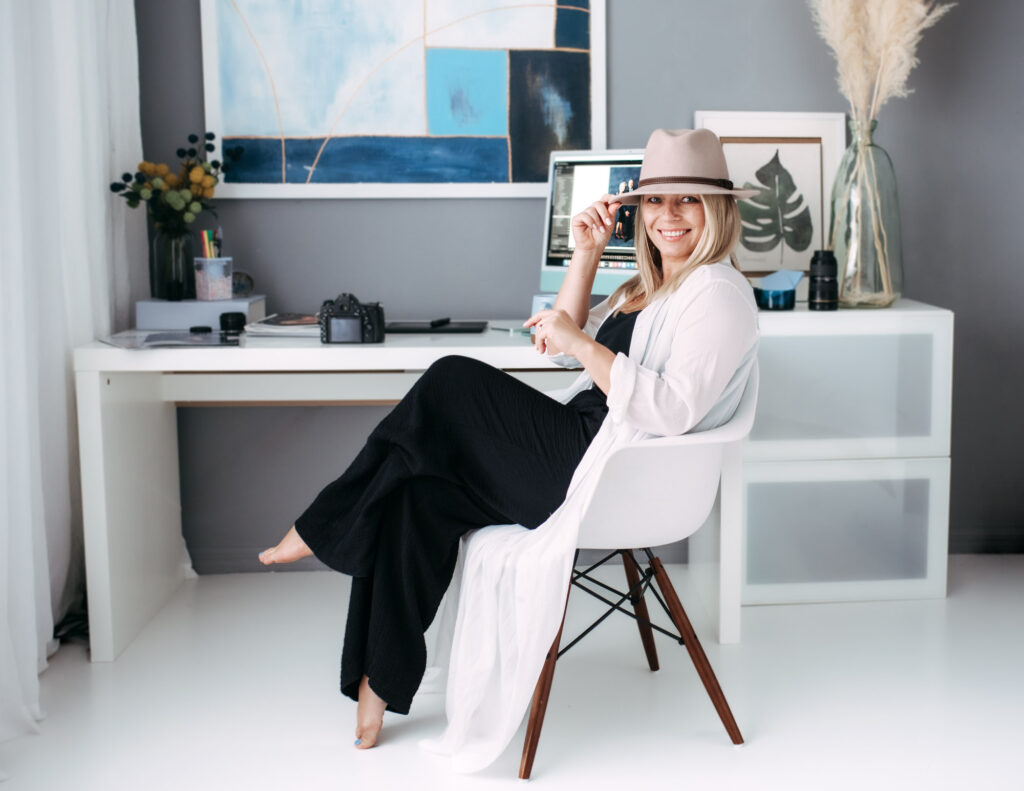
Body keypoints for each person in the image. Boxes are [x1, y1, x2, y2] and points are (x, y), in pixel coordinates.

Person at [258, 128, 760, 761]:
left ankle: (324, 521)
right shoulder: (650, 287)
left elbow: (675, 409)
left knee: (449, 380)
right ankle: (378, 685)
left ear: (719, 209)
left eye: (687, 201)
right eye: (656, 202)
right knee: (420, 498)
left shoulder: (718, 291)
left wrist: (582, 344)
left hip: (606, 468)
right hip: (582, 446)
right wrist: (586, 255)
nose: (668, 217)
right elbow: (553, 350)